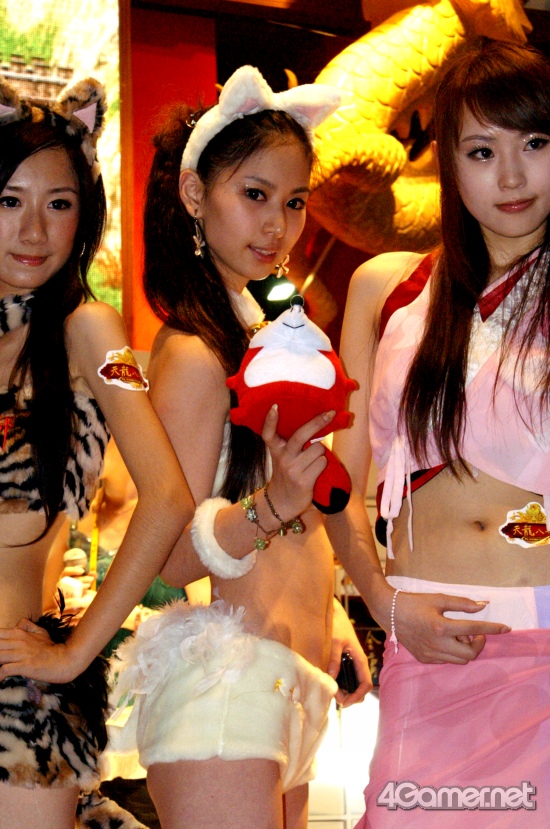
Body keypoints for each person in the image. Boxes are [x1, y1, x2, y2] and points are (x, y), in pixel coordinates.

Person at [105, 65, 372, 829]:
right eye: (254, 194)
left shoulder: (269, 330)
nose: (277, 225)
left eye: (294, 202)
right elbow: (168, 555)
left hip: (292, 674)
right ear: (195, 194)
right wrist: (272, 504)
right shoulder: (195, 352)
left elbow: (301, 513)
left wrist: (332, 612)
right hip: (224, 684)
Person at [326, 38, 550, 827]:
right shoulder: (390, 288)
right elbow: (338, 482)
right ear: (449, 165)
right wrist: (385, 604)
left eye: (535, 143)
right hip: (425, 642)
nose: (511, 176)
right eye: (482, 151)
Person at [0, 77, 193, 829]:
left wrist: (76, 652)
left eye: (59, 204)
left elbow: (168, 497)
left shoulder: (90, 329)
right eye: (9, 201)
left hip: (18, 701)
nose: (33, 230)